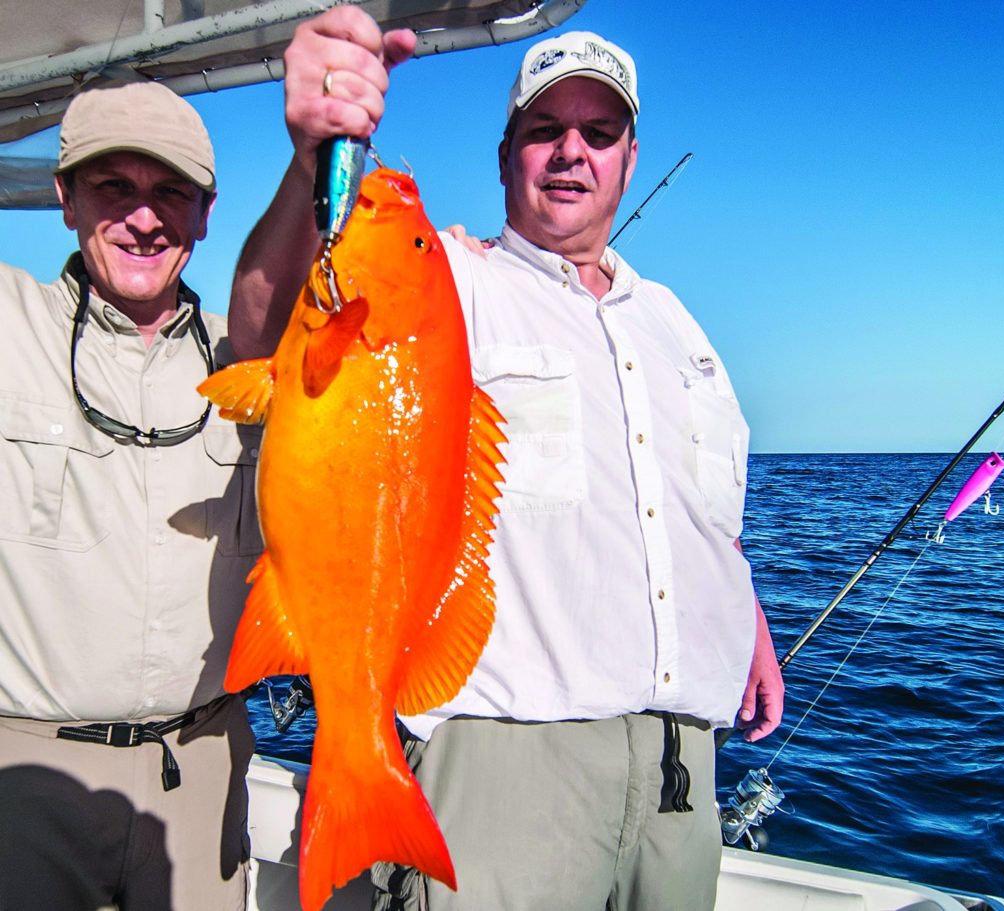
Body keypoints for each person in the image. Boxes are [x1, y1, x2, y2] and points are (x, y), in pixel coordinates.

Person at [230, 8, 785, 910]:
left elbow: (690, 505)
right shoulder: (451, 282)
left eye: (598, 133)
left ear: (629, 160)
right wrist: (316, 161)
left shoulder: (678, 324)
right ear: (505, 156)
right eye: (545, 131)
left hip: (683, 780)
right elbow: (275, 327)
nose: (572, 152)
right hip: (514, 765)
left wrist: (739, 611)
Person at [0, 80, 261, 910]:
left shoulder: (251, 357)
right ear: (65, 197)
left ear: (207, 213)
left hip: (207, 766)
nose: (145, 218)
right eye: (114, 187)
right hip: (29, 776)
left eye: (171, 193)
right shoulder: (12, 321)